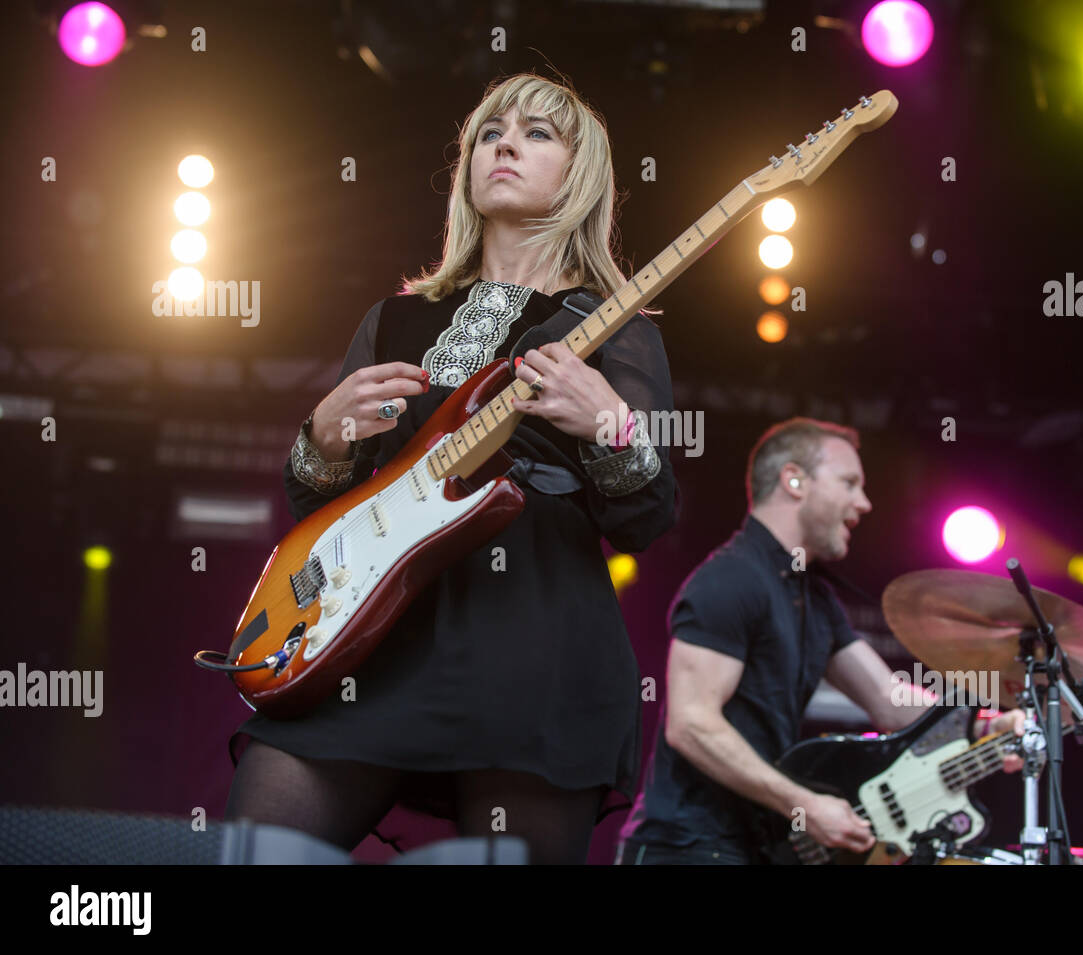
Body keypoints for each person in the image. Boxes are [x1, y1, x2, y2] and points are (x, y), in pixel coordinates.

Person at [224, 73, 678, 865]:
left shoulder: (620, 330)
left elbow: (645, 518)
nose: (505, 142)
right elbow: (323, 502)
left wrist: (609, 426)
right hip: (370, 636)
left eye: (539, 134)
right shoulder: (394, 318)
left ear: (582, 176)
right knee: (256, 850)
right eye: (491, 132)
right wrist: (323, 440)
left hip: (533, 638)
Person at [615, 418, 1024, 865]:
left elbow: (889, 700)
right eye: (849, 483)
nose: (864, 503)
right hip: (684, 847)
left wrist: (983, 726)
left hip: (754, 847)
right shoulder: (731, 578)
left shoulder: (815, 595)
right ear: (794, 480)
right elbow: (691, 724)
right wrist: (803, 804)